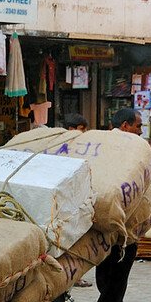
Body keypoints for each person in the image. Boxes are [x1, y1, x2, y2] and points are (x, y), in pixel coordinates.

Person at [80, 108, 142, 302]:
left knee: (105, 271)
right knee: (117, 278)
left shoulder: (100, 142)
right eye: (138, 126)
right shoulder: (131, 149)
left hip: (99, 220)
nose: (140, 131)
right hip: (122, 223)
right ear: (125, 126)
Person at [63, 113, 94, 287]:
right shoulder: (67, 147)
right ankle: (74, 276)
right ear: (71, 129)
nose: (85, 132)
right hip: (68, 202)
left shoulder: (79, 146)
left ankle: (74, 275)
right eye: (83, 129)